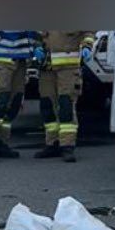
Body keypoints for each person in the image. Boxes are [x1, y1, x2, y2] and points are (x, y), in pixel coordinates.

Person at [0, 30, 43, 162]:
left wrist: (37, 45)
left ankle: (0, 141)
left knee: (14, 102)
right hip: (2, 58)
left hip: (21, 59)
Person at [36, 31, 90, 161]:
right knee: (47, 105)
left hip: (69, 68)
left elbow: (89, 31)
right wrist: (36, 46)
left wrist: (87, 45)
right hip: (47, 67)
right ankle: (52, 143)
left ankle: (67, 146)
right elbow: (37, 34)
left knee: (66, 105)